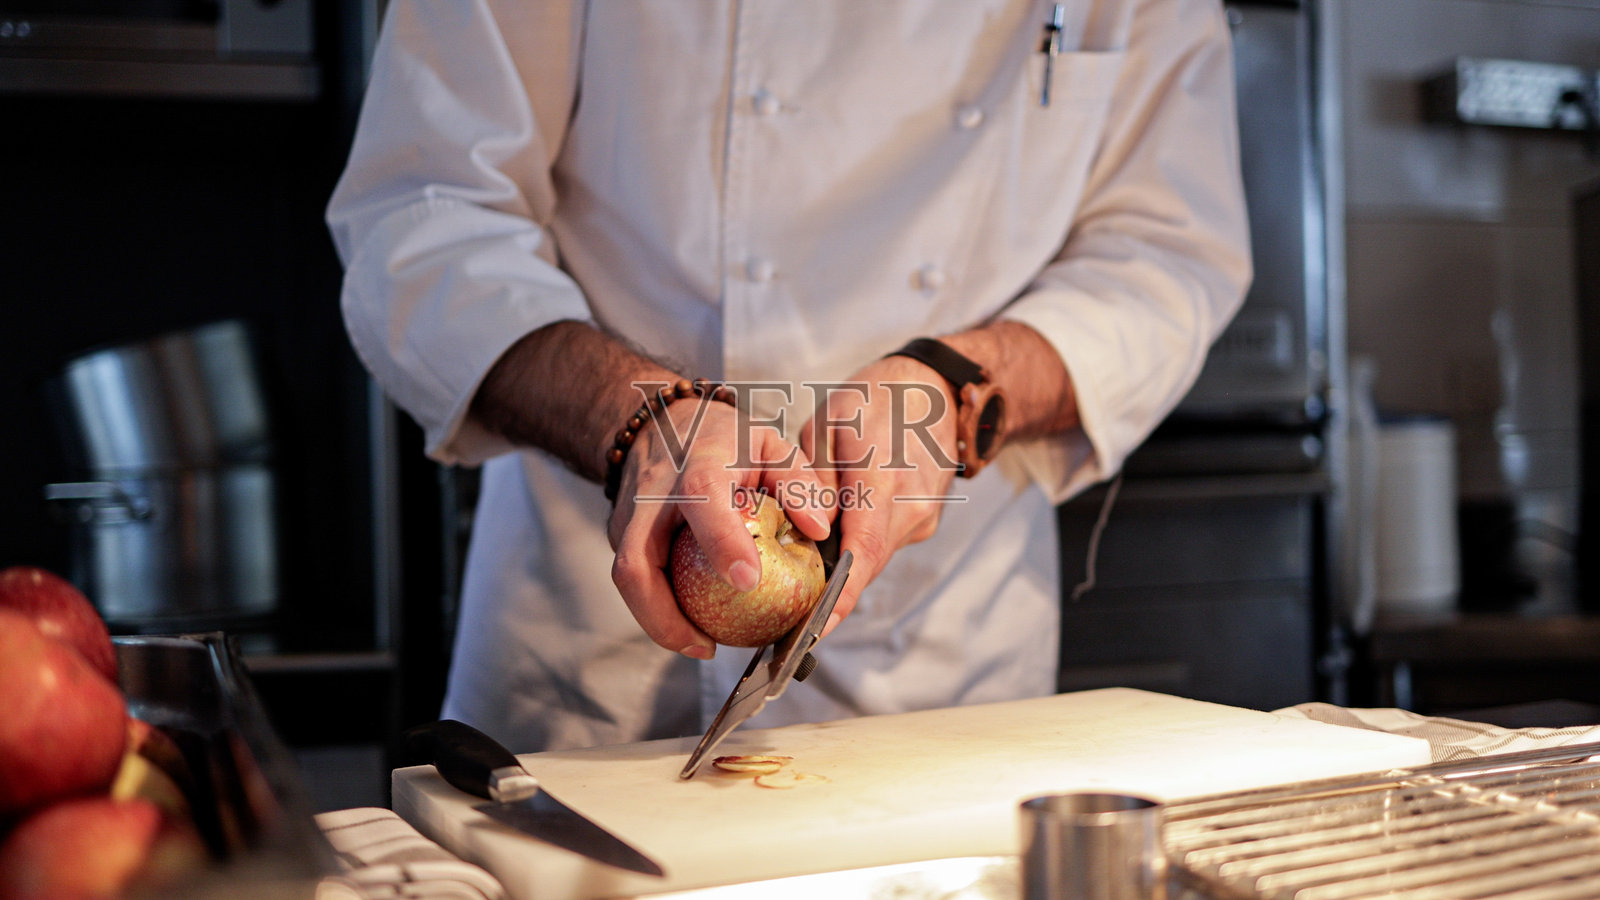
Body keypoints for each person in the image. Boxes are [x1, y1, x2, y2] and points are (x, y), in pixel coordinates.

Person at [327, 0, 1252, 753]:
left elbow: (1166, 257)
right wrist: (637, 418)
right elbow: (422, 215)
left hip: (945, 672)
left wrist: (956, 390)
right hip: (592, 654)